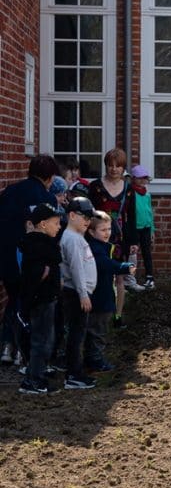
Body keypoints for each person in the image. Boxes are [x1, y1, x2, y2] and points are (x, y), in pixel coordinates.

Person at [0, 154, 59, 367]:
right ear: (49, 177)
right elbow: (50, 237)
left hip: (7, 255)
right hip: (32, 260)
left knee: (14, 298)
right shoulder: (48, 200)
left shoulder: (9, 192)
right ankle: (21, 350)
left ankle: (7, 346)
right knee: (29, 304)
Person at [87, 148, 138, 326]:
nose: (114, 169)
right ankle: (96, 313)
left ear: (123, 168)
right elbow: (89, 214)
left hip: (120, 238)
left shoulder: (129, 189)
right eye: (110, 165)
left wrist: (133, 241)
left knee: (119, 277)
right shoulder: (95, 186)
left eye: (118, 166)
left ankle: (117, 316)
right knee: (97, 274)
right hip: (98, 237)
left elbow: (132, 217)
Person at [16, 203, 63, 394]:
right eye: (56, 223)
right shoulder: (38, 246)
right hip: (41, 300)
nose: (59, 227)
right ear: (43, 224)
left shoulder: (42, 244)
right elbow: (35, 276)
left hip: (47, 298)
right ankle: (33, 381)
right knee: (41, 341)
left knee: (45, 340)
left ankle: (38, 376)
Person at [84, 211, 135, 373]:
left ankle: (92, 358)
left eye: (109, 229)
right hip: (98, 296)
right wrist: (124, 267)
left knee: (97, 329)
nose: (107, 233)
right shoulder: (95, 249)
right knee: (97, 330)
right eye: (103, 230)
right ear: (92, 232)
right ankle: (95, 360)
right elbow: (104, 264)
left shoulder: (102, 246)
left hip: (103, 293)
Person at [60, 197, 99, 390]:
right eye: (84, 217)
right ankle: (74, 375)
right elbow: (76, 269)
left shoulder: (76, 237)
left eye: (90, 218)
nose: (88, 221)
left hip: (78, 292)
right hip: (76, 293)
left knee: (78, 333)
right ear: (72, 215)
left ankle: (75, 372)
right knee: (76, 335)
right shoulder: (73, 239)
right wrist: (83, 294)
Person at [130, 165, 156, 290]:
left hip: (146, 227)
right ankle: (130, 278)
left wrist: (152, 230)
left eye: (144, 178)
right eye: (139, 178)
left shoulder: (147, 194)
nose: (142, 180)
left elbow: (150, 212)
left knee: (147, 253)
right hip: (135, 228)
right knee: (132, 254)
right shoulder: (131, 193)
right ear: (133, 178)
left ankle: (150, 278)